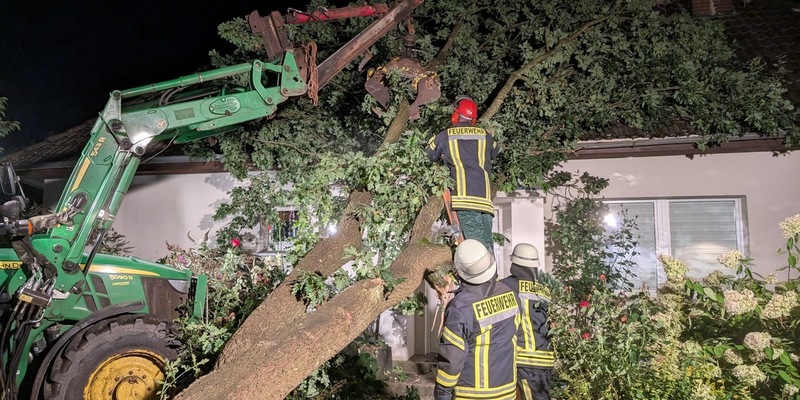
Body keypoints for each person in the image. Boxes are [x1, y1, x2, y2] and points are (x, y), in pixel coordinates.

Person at [434, 239, 520, 400]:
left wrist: (442, 391)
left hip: (474, 394)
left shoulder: (460, 307)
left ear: (459, 271)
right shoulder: (510, 294)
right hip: (507, 391)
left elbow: (453, 357)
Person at [426, 97, 499, 251]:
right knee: (487, 246)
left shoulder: (446, 135)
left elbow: (428, 154)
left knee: (474, 250)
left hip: (464, 200)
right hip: (485, 202)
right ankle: (492, 275)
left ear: (456, 115)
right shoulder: (486, 135)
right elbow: (495, 152)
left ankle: (478, 275)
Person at [500, 243, 554, 400]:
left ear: (515, 264)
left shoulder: (505, 286)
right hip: (546, 359)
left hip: (526, 359)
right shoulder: (545, 290)